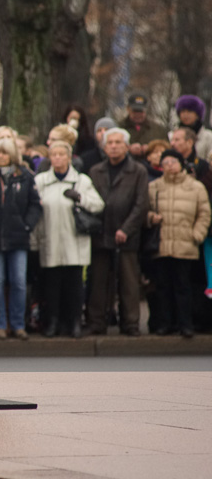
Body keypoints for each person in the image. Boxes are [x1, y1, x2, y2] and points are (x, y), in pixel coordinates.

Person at [33, 141, 104, 338]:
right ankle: (53, 322)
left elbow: (98, 205)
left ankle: (74, 323)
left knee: (74, 286)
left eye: (61, 154)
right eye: (53, 154)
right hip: (50, 240)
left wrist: (80, 197)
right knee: (52, 286)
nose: (57, 158)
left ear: (69, 157)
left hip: (74, 241)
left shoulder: (81, 181)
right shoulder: (40, 181)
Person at [84, 128, 148, 336]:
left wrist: (126, 229)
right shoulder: (95, 171)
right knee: (98, 282)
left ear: (127, 146)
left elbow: (141, 204)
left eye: (117, 142)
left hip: (126, 235)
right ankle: (96, 322)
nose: (113, 146)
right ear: (103, 147)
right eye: (109, 142)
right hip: (101, 233)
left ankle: (130, 323)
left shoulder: (138, 171)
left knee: (129, 282)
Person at [147, 149, 211, 337]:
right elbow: (145, 210)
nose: (169, 166)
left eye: (173, 162)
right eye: (165, 163)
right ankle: (166, 323)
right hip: (162, 244)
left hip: (186, 244)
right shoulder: (155, 186)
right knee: (163, 287)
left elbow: (204, 213)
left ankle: (186, 324)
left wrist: (197, 234)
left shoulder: (195, 187)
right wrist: (151, 218)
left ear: (180, 164)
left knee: (184, 286)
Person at [0, 138, 41, 340]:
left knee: (18, 282)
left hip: (18, 238)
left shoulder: (24, 176)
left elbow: (35, 204)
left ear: (12, 155)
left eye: (4, 153)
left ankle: (18, 324)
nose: (0, 156)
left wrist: (26, 225)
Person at [121, 92, 167, 159]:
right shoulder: (119, 128)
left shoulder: (158, 129)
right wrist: (128, 149)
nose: (138, 114)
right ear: (128, 109)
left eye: (141, 111)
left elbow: (166, 148)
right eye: (135, 111)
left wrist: (151, 149)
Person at [172, 95, 212, 162]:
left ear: (197, 114)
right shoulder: (171, 135)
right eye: (183, 111)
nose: (185, 114)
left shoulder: (208, 137)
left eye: (189, 111)